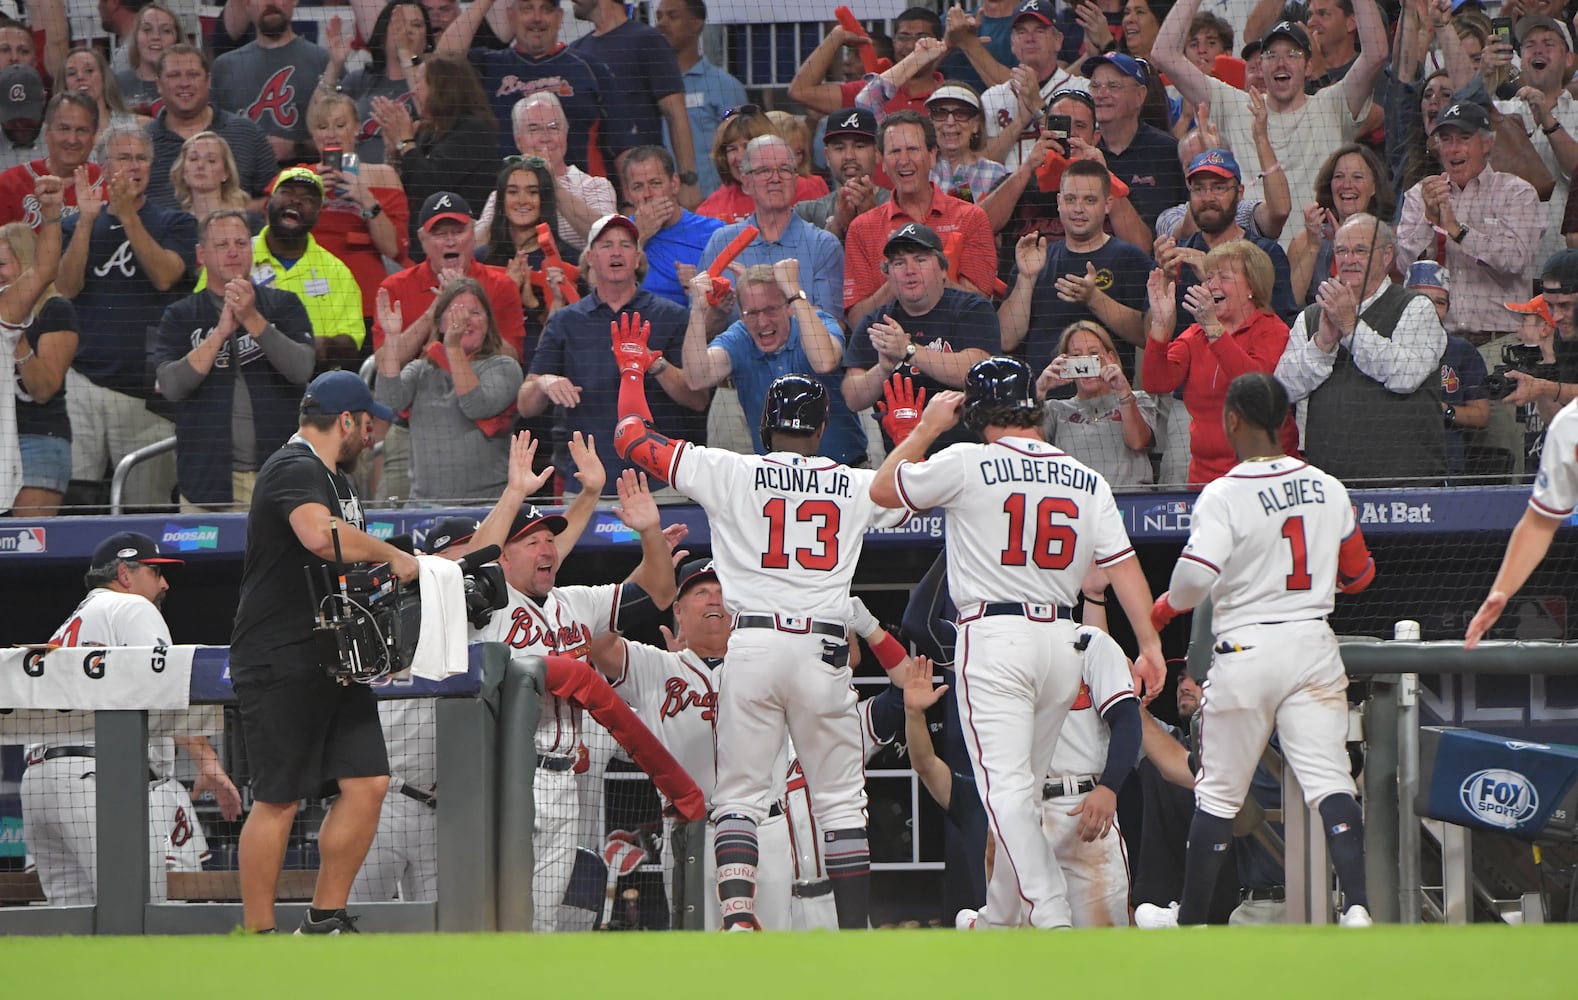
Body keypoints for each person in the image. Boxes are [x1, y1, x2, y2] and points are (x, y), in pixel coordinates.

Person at [613, 360, 911, 931]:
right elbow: (910, 496)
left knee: (740, 796)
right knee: (842, 804)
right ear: (822, 430)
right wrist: (901, 434)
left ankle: (737, 918)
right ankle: (853, 932)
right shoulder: (852, 482)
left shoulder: (730, 470)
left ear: (763, 425)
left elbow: (631, 437)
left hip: (751, 646)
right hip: (823, 650)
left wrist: (632, 370)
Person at [867, 357, 1165, 927]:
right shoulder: (1086, 477)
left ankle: (1049, 916)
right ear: (1032, 405)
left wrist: (926, 426)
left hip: (996, 636)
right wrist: (1148, 641)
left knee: (1004, 793)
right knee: (1021, 796)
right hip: (1062, 638)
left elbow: (883, 490)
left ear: (977, 413)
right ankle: (998, 921)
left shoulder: (966, 460)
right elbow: (1122, 567)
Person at [1142, 371, 1376, 929]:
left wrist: (1166, 606)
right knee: (1330, 782)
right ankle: (1360, 908)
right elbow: (1362, 574)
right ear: (1285, 421)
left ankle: (1192, 920)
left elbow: (1195, 579)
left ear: (1232, 420)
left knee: (1220, 792)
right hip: (1313, 642)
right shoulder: (1327, 484)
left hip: (1247, 645)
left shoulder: (1224, 491)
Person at [230, 370, 417, 935]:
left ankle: (324, 919)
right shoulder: (294, 466)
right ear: (345, 422)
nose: (371, 434)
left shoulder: (338, 478)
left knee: (368, 783)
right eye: (367, 424)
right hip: (281, 654)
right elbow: (318, 535)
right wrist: (395, 556)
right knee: (279, 800)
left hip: (334, 657)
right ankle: (258, 935)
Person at [472, 466, 676, 931]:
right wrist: (515, 491)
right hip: (506, 779)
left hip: (564, 781)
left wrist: (650, 533)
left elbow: (659, 592)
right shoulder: (483, 608)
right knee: (497, 916)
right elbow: (460, 561)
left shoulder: (576, 602)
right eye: (532, 541)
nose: (547, 549)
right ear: (501, 557)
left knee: (544, 922)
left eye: (551, 539)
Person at [24, 530, 242, 906]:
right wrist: (208, 760)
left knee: (73, 928)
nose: (164, 582)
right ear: (125, 574)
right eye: (156, 572)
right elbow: (161, 687)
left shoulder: (71, 625)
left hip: (41, 782)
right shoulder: (131, 608)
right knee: (140, 912)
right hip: (95, 778)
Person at [1149, 4, 1388, 251]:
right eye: (1271, 55)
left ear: (1308, 66)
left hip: (1316, 263)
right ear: (1260, 67)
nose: (1281, 63)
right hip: (1247, 265)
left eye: (1293, 54)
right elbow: (1164, 53)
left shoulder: (1332, 104)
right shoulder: (1236, 105)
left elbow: (1377, 53)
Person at [59, 122, 196, 507]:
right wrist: (87, 221)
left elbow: (166, 277)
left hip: (145, 389)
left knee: (144, 505)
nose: (133, 166)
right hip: (83, 380)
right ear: (103, 167)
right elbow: (66, 288)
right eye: (123, 158)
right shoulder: (74, 225)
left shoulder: (176, 223)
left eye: (141, 158)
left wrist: (127, 217)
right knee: (77, 497)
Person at [522, 214, 707, 492]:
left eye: (626, 244)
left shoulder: (673, 316)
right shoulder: (565, 322)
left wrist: (655, 364)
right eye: (606, 245)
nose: (617, 251)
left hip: (659, 484)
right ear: (590, 258)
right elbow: (525, 405)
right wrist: (542, 382)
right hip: (588, 486)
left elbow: (698, 399)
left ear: (637, 259)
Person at [152, 208, 315, 511]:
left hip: (281, 478)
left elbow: (301, 369)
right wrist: (220, 333)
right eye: (222, 245)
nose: (233, 252)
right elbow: (171, 386)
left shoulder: (284, 305)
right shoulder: (181, 315)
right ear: (201, 254)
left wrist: (252, 319)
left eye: (241, 243)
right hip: (207, 485)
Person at [1276, 215, 1448, 486]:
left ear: (1387, 255)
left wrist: (1351, 328)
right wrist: (1321, 346)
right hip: (1330, 486)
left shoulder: (1417, 308)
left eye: (1360, 250)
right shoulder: (1310, 317)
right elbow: (1284, 387)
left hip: (1406, 483)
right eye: (1342, 250)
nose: (1349, 259)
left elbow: (1406, 376)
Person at [1143, 238, 1297, 485]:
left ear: (1252, 287)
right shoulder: (1196, 334)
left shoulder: (1273, 331)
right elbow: (1156, 382)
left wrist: (1214, 329)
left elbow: (1253, 389)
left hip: (1263, 474)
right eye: (1209, 277)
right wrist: (1160, 327)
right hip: (1205, 478)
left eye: (1223, 277)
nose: (1211, 285)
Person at [681, 261, 865, 465]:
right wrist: (698, 311)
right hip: (777, 479)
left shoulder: (818, 322)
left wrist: (794, 291)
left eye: (771, 310)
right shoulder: (740, 336)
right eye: (751, 313)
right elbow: (697, 378)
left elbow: (824, 362)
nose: (762, 322)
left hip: (843, 472)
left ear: (789, 307)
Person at [1396, 101, 1544, 347]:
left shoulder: (1517, 193)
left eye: (1464, 138)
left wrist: (1458, 231)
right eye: (1446, 140)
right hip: (1437, 341)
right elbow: (1403, 265)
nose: (1453, 149)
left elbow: (1517, 260)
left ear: (1487, 143)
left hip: (1501, 340)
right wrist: (1427, 222)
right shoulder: (1420, 194)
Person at [843, 223, 998, 455]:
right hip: (902, 460)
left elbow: (977, 370)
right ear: (889, 275)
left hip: (968, 456)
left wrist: (908, 351)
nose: (909, 270)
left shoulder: (972, 309)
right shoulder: (876, 323)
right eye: (899, 263)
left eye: (921, 260)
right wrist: (883, 369)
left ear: (943, 269)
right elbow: (853, 397)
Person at [998, 159, 1153, 374]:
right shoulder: (1036, 259)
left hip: (1110, 398)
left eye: (1089, 200)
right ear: (1059, 202)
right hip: (1047, 399)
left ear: (1107, 204)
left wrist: (1094, 299)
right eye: (1071, 199)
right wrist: (1026, 278)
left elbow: (1149, 336)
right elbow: (1007, 339)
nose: (1078, 209)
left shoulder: (1130, 259)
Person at [375, 277, 523, 500]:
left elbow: (476, 406)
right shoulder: (420, 370)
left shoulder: (504, 368)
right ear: (441, 323)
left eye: (475, 313)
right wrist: (392, 338)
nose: (466, 321)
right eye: (456, 312)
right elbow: (389, 399)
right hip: (425, 507)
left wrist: (452, 347)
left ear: (488, 322)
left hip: (488, 509)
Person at [844, 110, 998, 321]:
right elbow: (856, 320)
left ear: (933, 155)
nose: (904, 160)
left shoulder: (971, 217)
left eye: (913, 149)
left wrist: (932, 275)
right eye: (895, 151)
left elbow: (979, 306)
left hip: (956, 343)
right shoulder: (862, 228)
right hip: (886, 342)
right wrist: (900, 278)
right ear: (881, 160)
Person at [204, 167, 363, 368]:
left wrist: (305, 348)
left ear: (318, 214)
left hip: (312, 379)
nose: (295, 201)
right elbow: (198, 316)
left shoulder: (336, 272)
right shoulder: (231, 256)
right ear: (268, 203)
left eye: (308, 199)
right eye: (287, 193)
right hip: (237, 373)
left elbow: (350, 344)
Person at [434, 0, 614, 168]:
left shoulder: (589, 67)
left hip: (578, 192)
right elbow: (444, 57)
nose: (537, 18)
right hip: (508, 193)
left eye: (546, 9)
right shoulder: (488, 65)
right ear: (511, 16)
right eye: (527, 9)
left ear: (559, 17)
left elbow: (620, 140)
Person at [566, 0, 699, 204]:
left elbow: (676, 113)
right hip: (594, 193)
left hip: (645, 191)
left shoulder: (647, 40)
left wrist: (688, 181)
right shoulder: (575, 53)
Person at [698, 135, 844, 320]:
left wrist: (769, 294)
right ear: (746, 181)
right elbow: (699, 330)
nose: (775, 179)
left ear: (795, 179)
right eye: (764, 170)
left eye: (784, 170)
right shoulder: (721, 242)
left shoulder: (823, 245)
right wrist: (717, 313)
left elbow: (834, 326)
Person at [374, 53, 499, 257]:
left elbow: (430, 184)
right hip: (422, 242)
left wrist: (406, 141)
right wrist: (395, 151)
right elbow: (407, 187)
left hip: (460, 245)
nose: (414, 91)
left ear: (442, 88)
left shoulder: (474, 129)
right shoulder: (429, 132)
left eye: (419, 83)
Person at [306, 92, 411, 326]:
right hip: (311, 292)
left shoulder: (383, 176)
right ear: (314, 136)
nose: (331, 134)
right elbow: (280, 237)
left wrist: (366, 199)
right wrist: (310, 196)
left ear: (356, 129)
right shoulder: (299, 178)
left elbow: (394, 249)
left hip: (365, 292)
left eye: (340, 125)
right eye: (323, 127)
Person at [145, 43, 279, 210]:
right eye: (174, 75)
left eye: (193, 75)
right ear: (158, 84)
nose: (184, 83)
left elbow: (273, 199)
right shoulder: (142, 142)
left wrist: (228, 213)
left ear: (208, 80)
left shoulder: (246, 133)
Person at [6, 207, 77, 518]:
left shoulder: (55, 310)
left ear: (26, 264)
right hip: (3, 440)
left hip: (37, 442)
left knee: (25, 551)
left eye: (1, 265)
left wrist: (17, 341)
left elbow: (45, 389)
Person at [1492, 15, 1578, 264]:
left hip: (1563, 262)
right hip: (1507, 264)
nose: (1538, 49)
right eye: (1529, 44)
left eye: (1549, 43)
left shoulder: (1576, 112)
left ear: (1569, 58)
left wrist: (1547, 118)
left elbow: (1577, 172)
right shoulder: (1501, 111)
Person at [1039, 319, 1157, 486]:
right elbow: (1023, 447)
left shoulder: (1137, 399)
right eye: (1077, 356)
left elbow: (1138, 442)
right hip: (1075, 504)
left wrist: (1124, 392)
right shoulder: (1055, 410)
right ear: (1065, 362)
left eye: (1094, 354)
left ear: (1110, 358)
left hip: (1128, 503)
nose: (1086, 363)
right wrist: (1039, 390)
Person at [211, 0, 330, 165]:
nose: (270, 2)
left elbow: (343, 138)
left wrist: (296, 148)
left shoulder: (324, 62)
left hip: (307, 182)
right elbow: (211, 136)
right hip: (241, 183)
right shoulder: (224, 66)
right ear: (246, 4)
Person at [1404, 261, 1491, 479]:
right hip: (1394, 463)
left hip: (1447, 465)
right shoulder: (1382, 347)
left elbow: (1481, 415)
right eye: (1421, 300)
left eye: (1440, 302)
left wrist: (1442, 410)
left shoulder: (1463, 351)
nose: (1430, 310)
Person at [318, 0, 430, 164]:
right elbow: (316, 120)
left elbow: (427, 111)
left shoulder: (434, 80)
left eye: (417, 25)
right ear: (382, 36)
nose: (407, 31)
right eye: (398, 24)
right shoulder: (359, 80)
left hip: (408, 177)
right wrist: (334, 66)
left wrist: (405, 53)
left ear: (427, 39)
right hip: (353, 176)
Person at [653, 0, 745, 198]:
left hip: (713, 208)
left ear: (696, 23)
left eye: (672, 16)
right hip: (659, 208)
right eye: (659, 16)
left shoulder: (725, 87)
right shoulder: (647, 85)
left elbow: (742, 147)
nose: (662, 23)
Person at [978, 0, 1082, 172]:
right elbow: (982, 162)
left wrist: (1037, 106)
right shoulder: (991, 97)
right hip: (1008, 196)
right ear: (1012, 44)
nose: (1029, 38)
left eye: (1039, 30)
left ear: (1058, 40)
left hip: (1060, 194)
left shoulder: (1080, 89)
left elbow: (1077, 146)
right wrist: (1019, 122)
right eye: (1021, 31)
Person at [1287, 144, 1393, 305]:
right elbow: (1290, 304)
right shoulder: (1303, 241)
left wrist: (1342, 245)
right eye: (1339, 177)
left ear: (1374, 187)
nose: (1347, 184)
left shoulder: (1389, 240)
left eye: (1357, 177)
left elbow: (1385, 299)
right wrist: (1313, 246)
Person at [789, 9, 943, 118]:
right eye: (903, 37)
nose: (911, 46)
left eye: (921, 37)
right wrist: (835, 37)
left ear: (938, 43)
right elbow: (800, 91)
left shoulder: (950, 95)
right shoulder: (869, 91)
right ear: (894, 42)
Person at [624, 144, 724, 308]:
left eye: (655, 183)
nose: (647, 194)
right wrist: (639, 236)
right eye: (638, 187)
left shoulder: (714, 233)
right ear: (628, 195)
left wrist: (705, 282)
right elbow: (607, 291)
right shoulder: (615, 235)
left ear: (675, 184)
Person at [695, 108, 829, 225]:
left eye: (747, 146)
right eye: (732, 149)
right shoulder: (711, 208)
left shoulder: (805, 190)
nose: (740, 157)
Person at [0, 91, 101, 231]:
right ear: (47, 133)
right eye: (64, 129)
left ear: (94, 136)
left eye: (82, 130)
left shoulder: (110, 184)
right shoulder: (8, 183)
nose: (72, 140)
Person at [794, 108, 892, 239]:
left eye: (860, 146)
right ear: (827, 157)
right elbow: (804, 259)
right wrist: (837, 226)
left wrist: (873, 217)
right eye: (839, 148)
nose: (849, 156)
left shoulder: (898, 206)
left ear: (877, 154)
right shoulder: (807, 214)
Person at [926, 82, 1009, 204]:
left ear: (976, 125)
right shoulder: (920, 171)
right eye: (940, 113)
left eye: (961, 114)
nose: (950, 122)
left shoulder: (997, 174)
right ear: (931, 122)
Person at [114, 3, 183, 116]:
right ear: (136, 37)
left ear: (177, 40)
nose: (156, 37)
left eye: (166, 30)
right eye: (147, 30)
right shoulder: (116, 84)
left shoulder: (187, 83)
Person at [169, 131, 254, 220]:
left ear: (226, 172)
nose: (200, 165)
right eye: (193, 159)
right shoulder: (176, 224)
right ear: (183, 171)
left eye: (211, 160)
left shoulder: (247, 220)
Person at [61, 47, 139, 138]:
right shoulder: (53, 130)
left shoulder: (135, 126)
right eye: (72, 73)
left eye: (89, 70)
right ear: (64, 83)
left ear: (104, 77)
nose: (80, 77)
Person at [0, 64, 45, 172]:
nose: (20, 124)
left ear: (44, 99)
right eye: (12, 118)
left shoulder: (62, 145)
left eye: (27, 115)